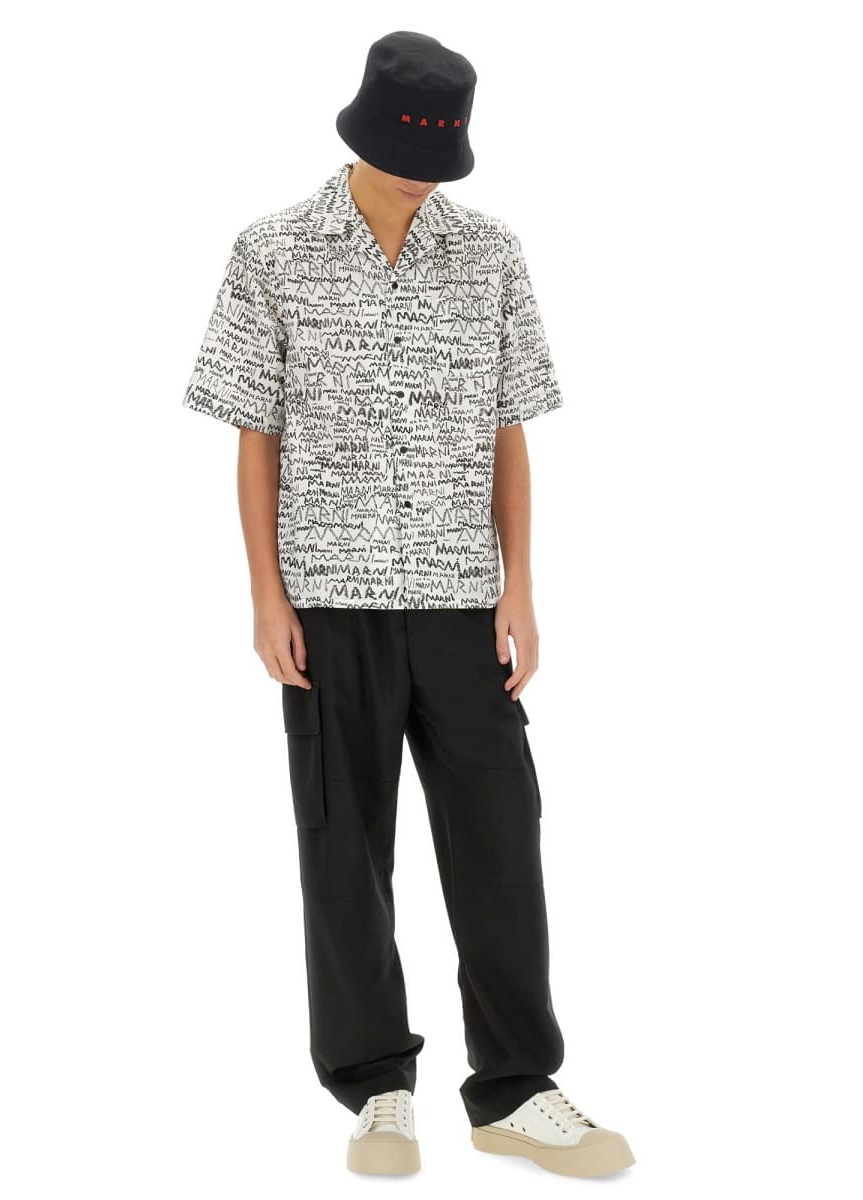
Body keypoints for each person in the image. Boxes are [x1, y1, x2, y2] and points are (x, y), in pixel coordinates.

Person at [182, 29, 635, 1180]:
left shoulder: (491, 252)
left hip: (461, 601)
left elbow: (508, 429)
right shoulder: (273, 250)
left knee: (500, 843)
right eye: (407, 158)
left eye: (441, 161)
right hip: (326, 602)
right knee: (345, 851)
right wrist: (265, 595)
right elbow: (255, 434)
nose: (424, 179)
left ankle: (516, 1090)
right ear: (363, 133)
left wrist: (520, 584)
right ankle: (376, 1087)